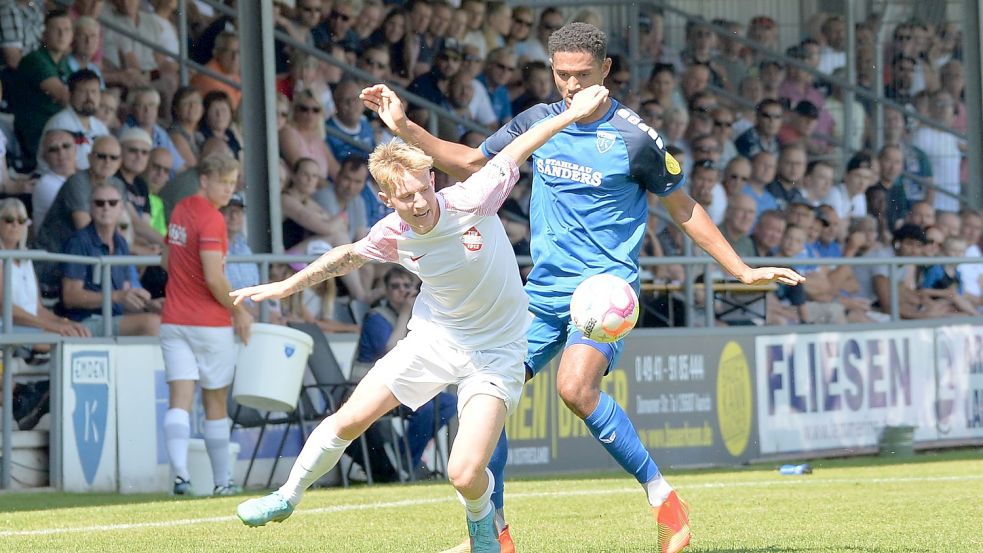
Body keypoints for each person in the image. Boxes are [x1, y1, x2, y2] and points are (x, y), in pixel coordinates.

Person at [361, 22, 805, 553]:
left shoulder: (635, 137)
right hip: (543, 293)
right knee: (486, 397)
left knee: (574, 388)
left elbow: (683, 207)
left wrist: (741, 270)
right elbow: (472, 162)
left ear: (606, 71)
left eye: (582, 75)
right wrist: (404, 125)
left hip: (605, 291)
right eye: (562, 75)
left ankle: (665, 501)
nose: (571, 86)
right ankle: (496, 534)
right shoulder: (541, 122)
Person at [232, 82, 611, 552]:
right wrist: (284, 286)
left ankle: (481, 524)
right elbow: (345, 256)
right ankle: (287, 496)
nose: (418, 203)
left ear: (432, 179)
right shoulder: (392, 233)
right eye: (404, 197)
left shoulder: (474, 198)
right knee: (350, 419)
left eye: (421, 189)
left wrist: (573, 114)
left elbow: (521, 145)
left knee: (464, 472)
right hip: (433, 340)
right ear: (386, 199)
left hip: (496, 353)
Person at [159, 153, 254, 497]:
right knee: (215, 402)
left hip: (174, 319)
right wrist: (239, 311)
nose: (229, 189)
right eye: (223, 182)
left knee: (179, 400)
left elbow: (165, 259)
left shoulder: (181, 209)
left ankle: (181, 476)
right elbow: (215, 278)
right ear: (205, 180)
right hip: (209, 322)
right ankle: (222, 481)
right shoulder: (213, 219)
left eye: (232, 182)